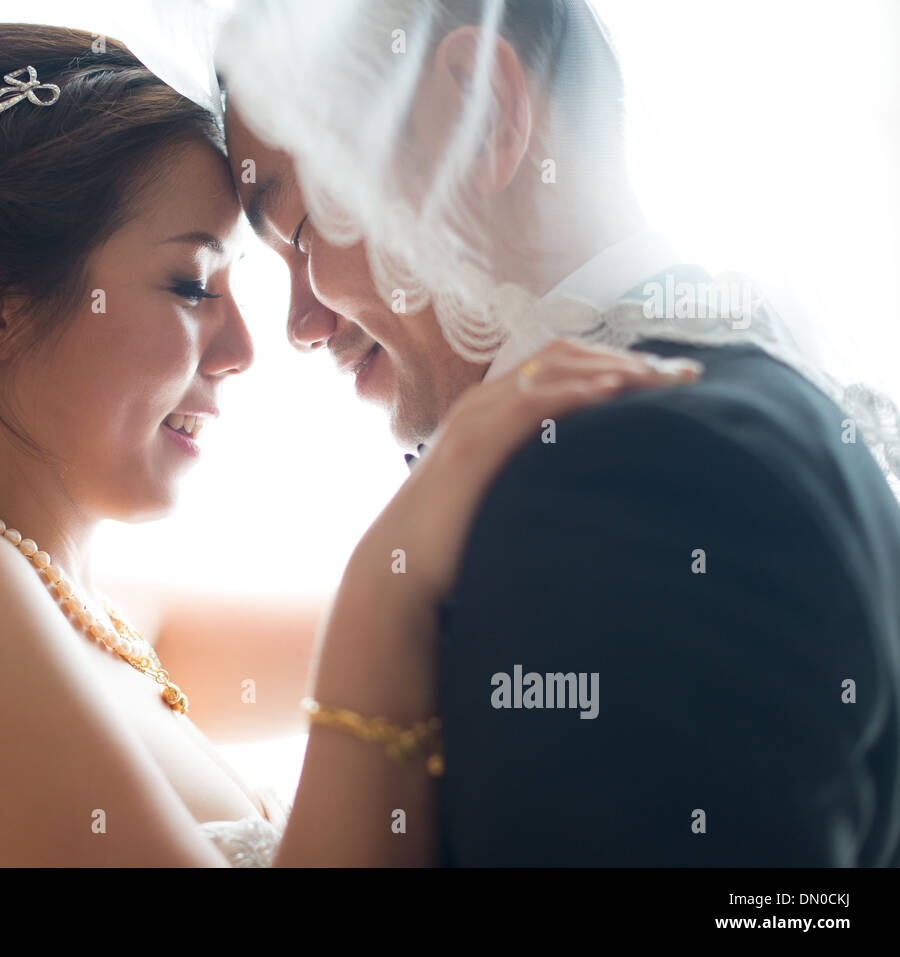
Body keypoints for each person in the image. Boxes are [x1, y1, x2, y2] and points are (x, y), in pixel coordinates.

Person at [0, 20, 696, 867]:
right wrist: (413, 530)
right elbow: (391, 629)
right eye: (192, 284)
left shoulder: (103, 611)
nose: (242, 351)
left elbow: (469, 629)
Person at [219, 0, 900, 865]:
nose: (300, 324)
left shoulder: (633, 479)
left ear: (484, 115)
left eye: (306, 232)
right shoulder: (705, 404)